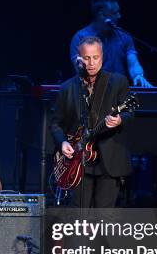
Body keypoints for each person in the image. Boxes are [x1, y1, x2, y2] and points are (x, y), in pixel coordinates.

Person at [51, 36, 132, 208]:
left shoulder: (118, 82)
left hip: (109, 161)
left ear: (102, 57)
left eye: (96, 57)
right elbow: (56, 123)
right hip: (79, 162)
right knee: (79, 219)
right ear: (78, 58)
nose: (92, 63)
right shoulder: (67, 88)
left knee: (103, 218)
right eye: (87, 58)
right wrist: (63, 142)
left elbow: (130, 114)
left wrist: (119, 120)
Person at [70, 0, 152, 87]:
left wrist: (137, 75)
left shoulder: (124, 37)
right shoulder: (80, 38)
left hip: (120, 95)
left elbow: (133, 63)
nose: (119, 16)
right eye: (115, 13)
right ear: (102, 15)